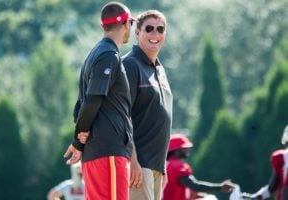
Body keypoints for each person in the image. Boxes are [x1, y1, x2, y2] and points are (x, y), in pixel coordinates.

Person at [63, 2, 137, 200]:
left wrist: (79, 139)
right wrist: (78, 141)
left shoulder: (95, 54)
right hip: (109, 151)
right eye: (130, 22)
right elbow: (92, 100)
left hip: (100, 150)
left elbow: (81, 105)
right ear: (125, 24)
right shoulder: (108, 55)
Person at [122, 10, 173, 200]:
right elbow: (123, 116)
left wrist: (163, 165)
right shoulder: (129, 65)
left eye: (160, 29)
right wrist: (132, 160)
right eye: (149, 29)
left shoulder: (160, 69)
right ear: (137, 33)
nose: (155, 34)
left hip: (156, 165)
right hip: (139, 165)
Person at [163, 133, 235, 200]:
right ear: (177, 150)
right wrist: (220, 187)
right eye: (185, 148)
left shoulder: (164, 164)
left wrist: (194, 195)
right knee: (211, 198)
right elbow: (194, 185)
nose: (188, 150)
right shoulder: (177, 166)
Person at [246, 125, 288, 200]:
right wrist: (257, 196)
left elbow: (282, 189)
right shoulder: (281, 158)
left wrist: (257, 196)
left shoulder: (282, 157)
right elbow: (272, 186)